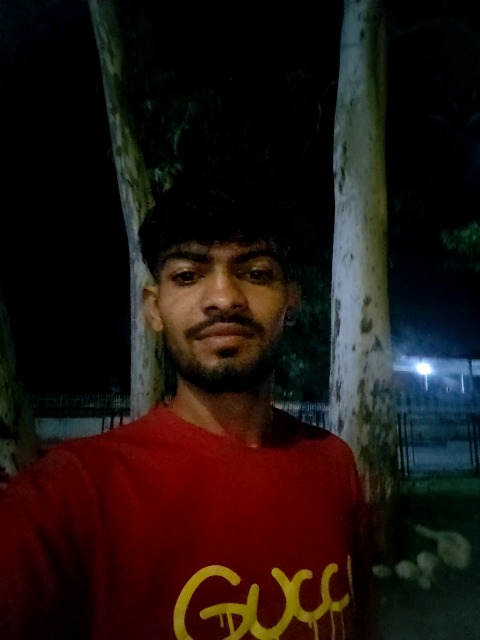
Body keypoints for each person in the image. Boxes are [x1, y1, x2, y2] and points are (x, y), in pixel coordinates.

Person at [0, 184, 375, 639]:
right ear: (153, 308)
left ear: (290, 301)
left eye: (256, 273)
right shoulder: (67, 498)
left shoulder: (333, 462)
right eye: (187, 276)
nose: (224, 298)